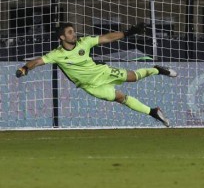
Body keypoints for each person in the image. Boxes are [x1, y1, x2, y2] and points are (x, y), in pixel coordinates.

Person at [15, 22, 175, 127]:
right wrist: (24, 68)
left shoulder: (84, 42)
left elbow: (106, 38)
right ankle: (153, 112)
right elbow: (36, 61)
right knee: (121, 98)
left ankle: (157, 69)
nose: (74, 34)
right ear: (62, 37)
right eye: (70, 33)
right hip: (89, 86)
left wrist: (128, 33)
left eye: (73, 31)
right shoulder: (56, 54)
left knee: (132, 77)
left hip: (101, 72)